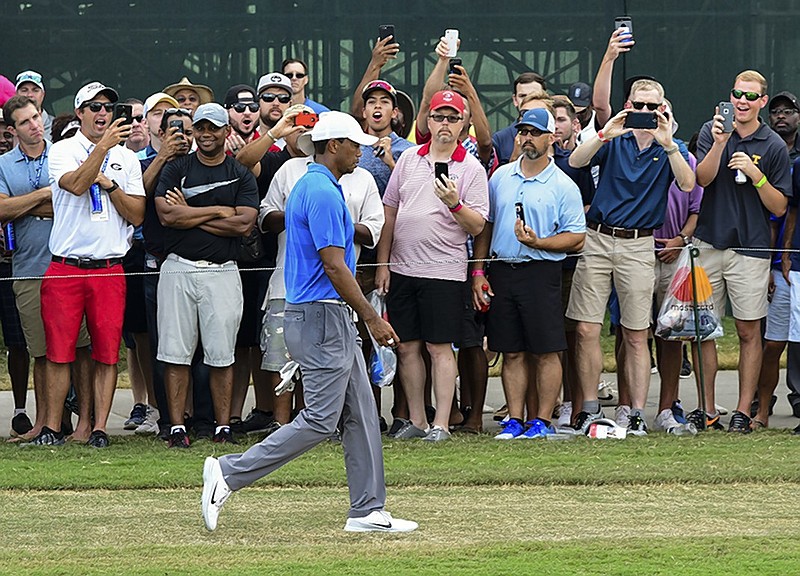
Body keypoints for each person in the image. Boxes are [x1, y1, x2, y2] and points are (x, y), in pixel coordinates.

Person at [201, 111, 416, 534]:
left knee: (361, 414)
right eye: (355, 145)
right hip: (321, 315)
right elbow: (334, 266)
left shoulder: (318, 185)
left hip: (326, 315)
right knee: (320, 419)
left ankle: (368, 510)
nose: (361, 152)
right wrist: (372, 318)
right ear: (333, 145)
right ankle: (228, 473)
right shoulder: (320, 191)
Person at [567, 78, 695, 435]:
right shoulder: (615, 139)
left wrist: (668, 143)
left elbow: (688, 183)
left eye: (651, 107)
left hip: (640, 244)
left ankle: (636, 412)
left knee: (637, 332)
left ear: (663, 109)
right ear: (628, 105)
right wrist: (605, 132)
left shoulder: (672, 146)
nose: (643, 113)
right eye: (638, 105)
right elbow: (577, 160)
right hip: (598, 236)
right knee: (586, 328)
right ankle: (589, 408)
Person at [376, 90, 489, 441]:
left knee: (440, 348)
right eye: (439, 116)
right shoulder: (409, 159)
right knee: (407, 346)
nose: (444, 124)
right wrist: (383, 263)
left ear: (464, 125)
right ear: (427, 121)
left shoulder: (471, 168)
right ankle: (417, 420)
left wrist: (455, 203)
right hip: (403, 269)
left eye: (452, 118)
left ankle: (441, 422)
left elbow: (478, 225)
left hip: (443, 271)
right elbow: (390, 211)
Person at [39, 81, 146, 447]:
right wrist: (102, 149)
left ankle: (99, 427)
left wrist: (112, 186)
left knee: (105, 352)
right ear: (81, 112)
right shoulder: (63, 150)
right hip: (66, 266)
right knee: (58, 351)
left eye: (109, 108)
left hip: (108, 267)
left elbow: (137, 216)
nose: (103, 114)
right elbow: (76, 185)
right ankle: (53, 427)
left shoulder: (128, 158)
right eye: (96, 107)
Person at [472, 108, 585, 439]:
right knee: (512, 349)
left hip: (541, 270)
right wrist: (479, 271)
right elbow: (486, 227)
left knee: (546, 349)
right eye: (523, 132)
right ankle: (514, 419)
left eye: (535, 133)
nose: (528, 139)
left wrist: (540, 241)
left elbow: (577, 237)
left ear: (552, 138)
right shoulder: (500, 177)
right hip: (503, 270)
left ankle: (541, 421)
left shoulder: (563, 185)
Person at [154, 103, 259, 448]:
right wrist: (216, 210)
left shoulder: (240, 173)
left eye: (213, 128)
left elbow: (243, 223)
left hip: (223, 272)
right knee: (175, 352)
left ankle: (223, 426)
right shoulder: (176, 168)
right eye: (200, 128)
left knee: (221, 354)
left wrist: (190, 211)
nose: (205, 134)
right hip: (179, 267)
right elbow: (168, 217)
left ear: (226, 131)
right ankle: (176, 427)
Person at [693, 70, 791, 433]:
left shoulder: (773, 145)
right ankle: (706, 409)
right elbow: (701, 180)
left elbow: (779, 207)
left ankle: (741, 412)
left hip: (750, 248)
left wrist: (756, 174)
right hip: (708, 243)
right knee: (704, 329)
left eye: (750, 96)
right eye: (737, 94)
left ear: (762, 102)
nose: (742, 101)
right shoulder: (711, 130)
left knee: (750, 331)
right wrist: (720, 143)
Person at [491, 72, 547, 165]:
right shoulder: (500, 139)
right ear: (515, 100)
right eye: (523, 96)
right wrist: (514, 158)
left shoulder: (557, 133)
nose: (528, 100)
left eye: (534, 95)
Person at [223, 84, 260, 156]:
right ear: (227, 111)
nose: (247, 112)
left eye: (253, 107)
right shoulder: (214, 147)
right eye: (239, 107)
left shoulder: (270, 148)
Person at [15, 70, 52, 137]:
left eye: (35, 90)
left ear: (43, 94)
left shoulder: (57, 126)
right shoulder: (10, 128)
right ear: (16, 95)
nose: (29, 95)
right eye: (24, 90)